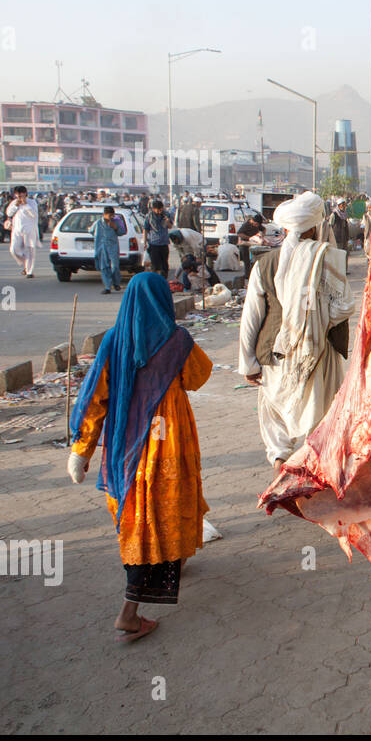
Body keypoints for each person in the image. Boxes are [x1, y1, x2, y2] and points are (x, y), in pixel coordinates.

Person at [66, 272, 213, 642]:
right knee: (161, 512)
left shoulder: (114, 340)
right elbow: (199, 376)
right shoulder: (177, 340)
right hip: (170, 443)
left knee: (140, 513)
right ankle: (128, 614)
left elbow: (94, 399)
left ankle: (175, 558)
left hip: (125, 448)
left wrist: (80, 451)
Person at [238, 192, 355, 469]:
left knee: (276, 415)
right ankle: (315, 467)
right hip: (318, 350)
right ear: (314, 228)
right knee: (320, 413)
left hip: (275, 352)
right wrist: (316, 322)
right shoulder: (327, 259)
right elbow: (345, 306)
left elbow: (252, 317)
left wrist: (248, 363)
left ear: (288, 228)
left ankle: (280, 459)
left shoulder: (264, 264)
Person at [91, 205, 124, 294]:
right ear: (104, 214)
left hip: (113, 247)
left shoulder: (116, 222)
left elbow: (122, 232)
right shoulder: (98, 223)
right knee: (104, 267)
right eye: (109, 215)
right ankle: (107, 287)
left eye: (112, 215)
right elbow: (91, 231)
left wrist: (115, 227)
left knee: (115, 266)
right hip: (102, 247)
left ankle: (116, 283)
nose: (111, 217)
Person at [143, 199, 173, 277]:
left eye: (161, 209)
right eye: (158, 210)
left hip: (164, 243)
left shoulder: (166, 214)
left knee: (164, 265)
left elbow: (170, 226)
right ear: (153, 209)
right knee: (155, 265)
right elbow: (145, 229)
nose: (160, 211)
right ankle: (155, 279)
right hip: (154, 243)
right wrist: (145, 241)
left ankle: (163, 279)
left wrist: (167, 221)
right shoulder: (149, 216)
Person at [236, 212, 265, 278]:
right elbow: (239, 234)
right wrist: (250, 238)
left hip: (254, 243)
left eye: (258, 225)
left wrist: (262, 237)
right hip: (244, 243)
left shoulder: (258, 224)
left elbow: (264, 229)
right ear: (253, 221)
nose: (257, 226)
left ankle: (254, 274)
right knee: (246, 260)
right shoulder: (246, 225)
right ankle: (247, 275)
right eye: (256, 224)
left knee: (254, 259)